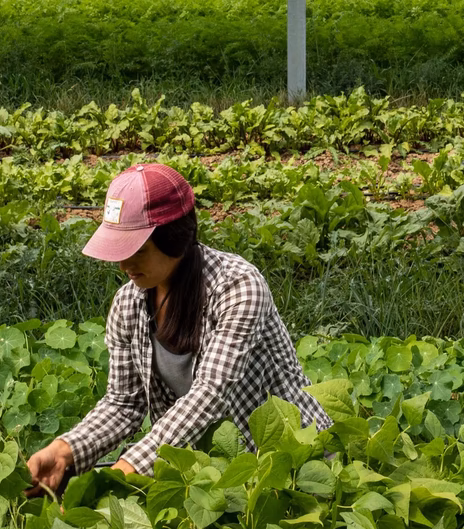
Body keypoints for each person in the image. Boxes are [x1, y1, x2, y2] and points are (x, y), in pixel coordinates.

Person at [25, 163, 329, 488]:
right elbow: (123, 403)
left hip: (290, 465)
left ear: (175, 238)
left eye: (137, 250)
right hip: (207, 475)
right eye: (119, 251)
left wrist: (127, 469)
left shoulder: (238, 287)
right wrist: (64, 451)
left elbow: (211, 393)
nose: (124, 264)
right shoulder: (129, 304)